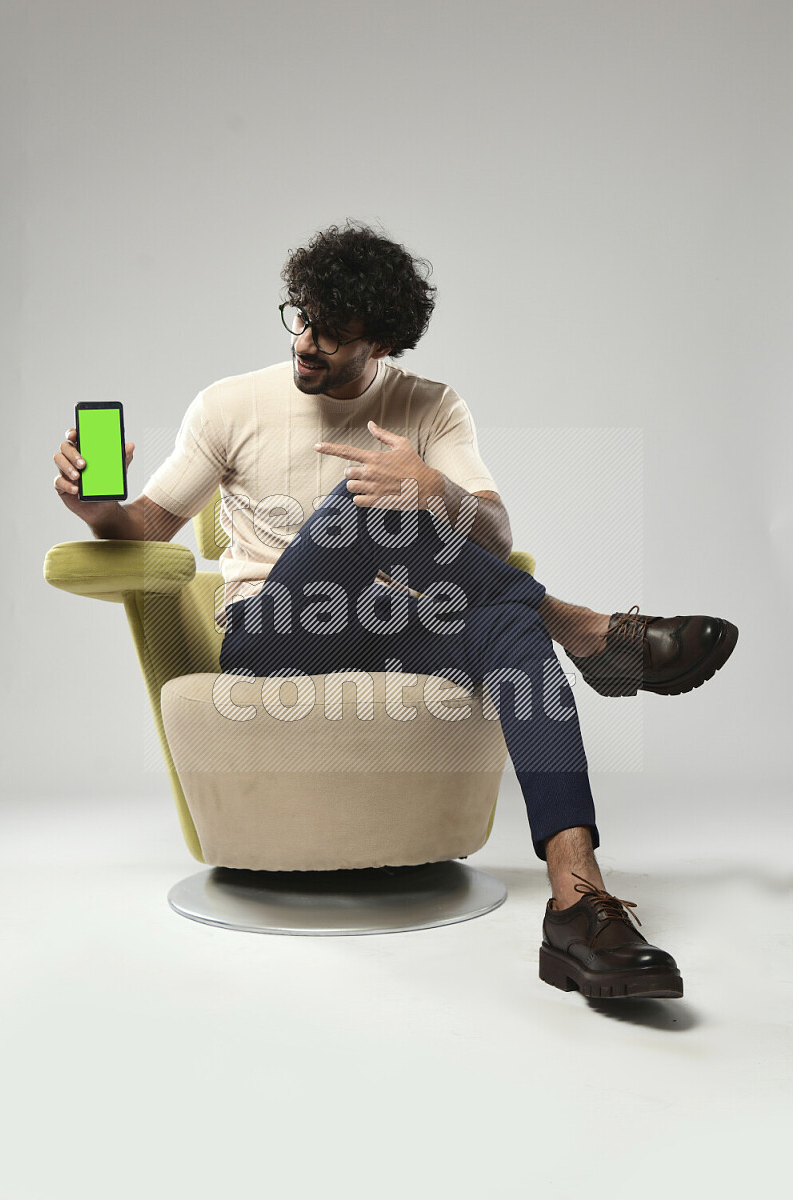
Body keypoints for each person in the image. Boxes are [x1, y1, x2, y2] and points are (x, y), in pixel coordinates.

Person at [53, 220, 738, 1000]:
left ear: (380, 344)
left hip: (391, 623)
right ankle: (590, 632)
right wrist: (93, 506)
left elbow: (498, 532)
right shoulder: (228, 405)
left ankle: (578, 903)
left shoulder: (432, 407)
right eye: (300, 318)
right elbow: (144, 526)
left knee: (505, 624)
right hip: (273, 631)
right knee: (364, 500)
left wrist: (435, 491)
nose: (306, 343)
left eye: (332, 335)